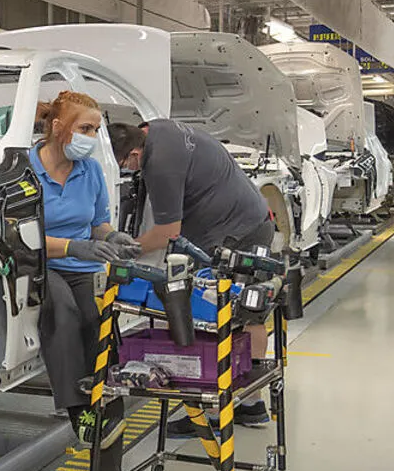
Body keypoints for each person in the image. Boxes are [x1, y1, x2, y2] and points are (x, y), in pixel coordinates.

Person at [109, 119, 275, 435]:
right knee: (248, 314)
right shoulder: (158, 129)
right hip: (253, 221)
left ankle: (213, 414)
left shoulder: (159, 164)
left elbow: (167, 233)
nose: (128, 171)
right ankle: (251, 405)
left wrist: (124, 252)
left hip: (231, 235)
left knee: (209, 316)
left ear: (134, 153)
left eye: (125, 165)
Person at [31, 91, 142, 471]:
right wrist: (72, 246)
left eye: (95, 130)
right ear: (58, 127)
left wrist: (111, 237)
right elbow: (20, 234)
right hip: (40, 265)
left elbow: (98, 223)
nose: (92, 137)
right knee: (63, 311)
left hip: (83, 267)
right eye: (85, 128)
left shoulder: (91, 170)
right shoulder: (26, 169)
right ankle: (80, 413)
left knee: (103, 345)